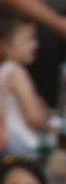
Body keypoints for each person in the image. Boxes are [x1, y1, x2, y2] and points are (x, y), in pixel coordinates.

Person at [0, 13, 51, 156]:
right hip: (22, 144)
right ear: (6, 45)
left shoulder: (3, 70)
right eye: (28, 40)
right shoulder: (17, 72)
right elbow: (33, 117)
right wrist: (49, 125)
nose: (35, 44)